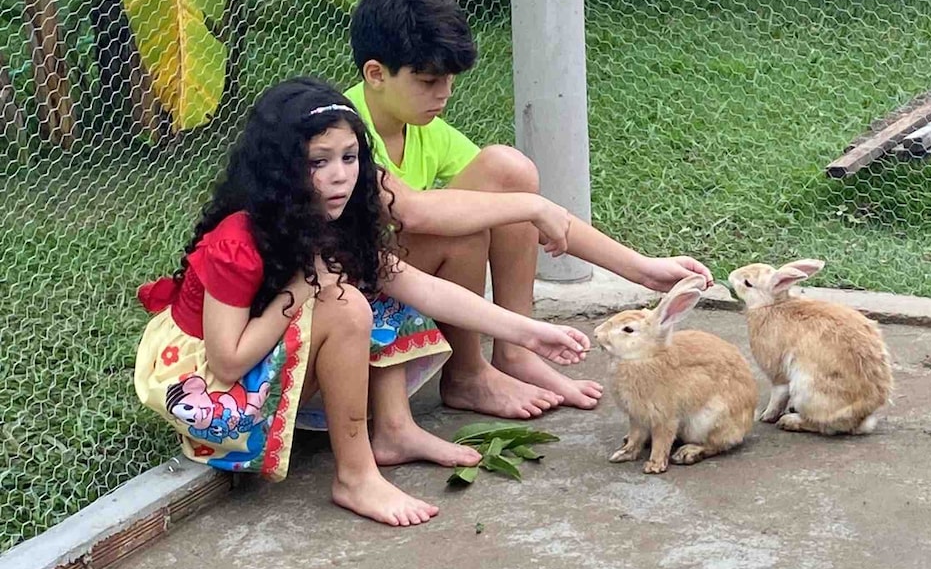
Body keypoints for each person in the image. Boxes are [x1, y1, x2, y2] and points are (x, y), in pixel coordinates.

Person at [134, 80, 590, 529]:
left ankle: (394, 429)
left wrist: (530, 332)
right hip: (211, 393)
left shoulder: (334, 220)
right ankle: (355, 476)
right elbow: (228, 361)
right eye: (320, 161)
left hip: (264, 358)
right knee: (346, 302)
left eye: (350, 158)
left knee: (373, 281)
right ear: (280, 170)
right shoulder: (238, 240)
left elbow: (424, 289)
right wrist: (302, 287)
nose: (341, 175)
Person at [343, 0, 711, 418]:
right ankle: (469, 373)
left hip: (396, 285)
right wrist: (533, 206)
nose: (444, 94)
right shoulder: (343, 131)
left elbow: (513, 192)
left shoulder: (422, 128)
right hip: (352, 307)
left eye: (450, 81)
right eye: (428, 81)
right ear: (376, 74)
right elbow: (411, 212)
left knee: (507, 170)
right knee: (466, 226)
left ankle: (513, 353)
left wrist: (643, 270)